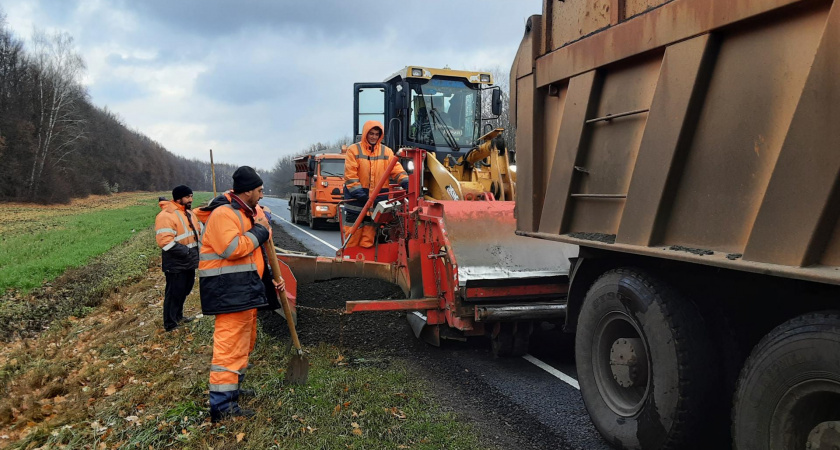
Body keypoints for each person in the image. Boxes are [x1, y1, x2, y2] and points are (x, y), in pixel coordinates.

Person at [196, 166, 285, 422]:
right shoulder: (224, 215)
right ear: (247, 191)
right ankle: (222, 407)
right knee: (229, 348)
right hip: (229, 292)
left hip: (243, 290)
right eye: (259, 190)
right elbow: (232, 249)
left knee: (244, 343)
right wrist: (259, 231)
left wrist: (269, 281)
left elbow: (254, 255)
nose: (262, 195)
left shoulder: (245, 213)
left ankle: (233, 391)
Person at [343, 120, 409, 248]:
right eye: (371, 133)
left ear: (380, 136)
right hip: (356, 203)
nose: (373, 136)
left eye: (376, 134)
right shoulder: (353, 150)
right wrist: (361, 196)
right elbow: (350, 176)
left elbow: (397, 171)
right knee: (352, 237)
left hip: (375, 205)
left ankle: (365, 265)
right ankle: (350, 264)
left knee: (368, 240)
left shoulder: (387, 152)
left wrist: (407, 183)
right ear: (365, 134)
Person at [154, 185, 202, 332]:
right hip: (176, 262)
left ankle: (178, 316)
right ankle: (170, 324)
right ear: (178, 198)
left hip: (189, 261)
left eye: (191, 196)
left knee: (184, 290)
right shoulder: (166, 215)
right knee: (174, 292)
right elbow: (165, 242)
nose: (191, 199)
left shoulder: (188, 213)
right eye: (188, 197)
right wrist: (187, 252)